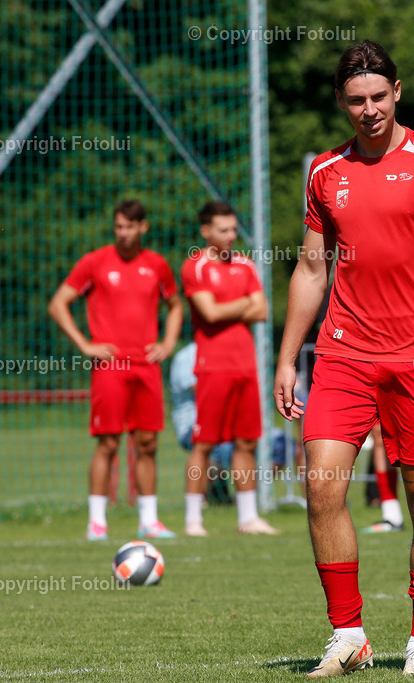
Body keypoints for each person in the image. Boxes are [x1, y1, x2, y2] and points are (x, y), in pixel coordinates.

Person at [274, 40, 414, 677]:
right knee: (321, 488)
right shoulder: (324, 172)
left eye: (377, 97)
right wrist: (287, 358)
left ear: (397, 92)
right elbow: (312, 267)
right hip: (343, 353)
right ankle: (349, 635)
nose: (367, 110)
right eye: (354, 100)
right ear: (342, 103)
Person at [48, 199, 182, 541]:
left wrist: (168, 342)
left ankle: (149, 520)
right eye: (118, 226)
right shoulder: (95, 262)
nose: (123, 233)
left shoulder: (157, 265)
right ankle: (97, 521)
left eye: (130, 227)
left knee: (148, 442)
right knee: (108, 442)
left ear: (143, 228)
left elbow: (175, 304)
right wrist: (84, 344)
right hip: (109, 366)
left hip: (147, 366)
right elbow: (59, 303)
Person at [181, 200, 279, 537]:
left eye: (234, 229)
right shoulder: (194, 267)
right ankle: (194, 519)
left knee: (246, 442)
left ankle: (248, 517)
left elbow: (263, 309)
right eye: (223, 230)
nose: (231, 236)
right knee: (204, 443)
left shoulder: (246, 264)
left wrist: (231, 308)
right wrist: (243, 306)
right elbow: (210, 314)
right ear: (205, 231)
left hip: (246, 367)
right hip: (212, 367)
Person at [169, 342, 235, 504]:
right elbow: (201, 390)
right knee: (221, 448)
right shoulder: (187, 356)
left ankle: (250, 500)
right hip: (192, 425)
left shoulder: (230, 351)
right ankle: (199, 502)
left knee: (277, 444)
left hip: (228, 423)